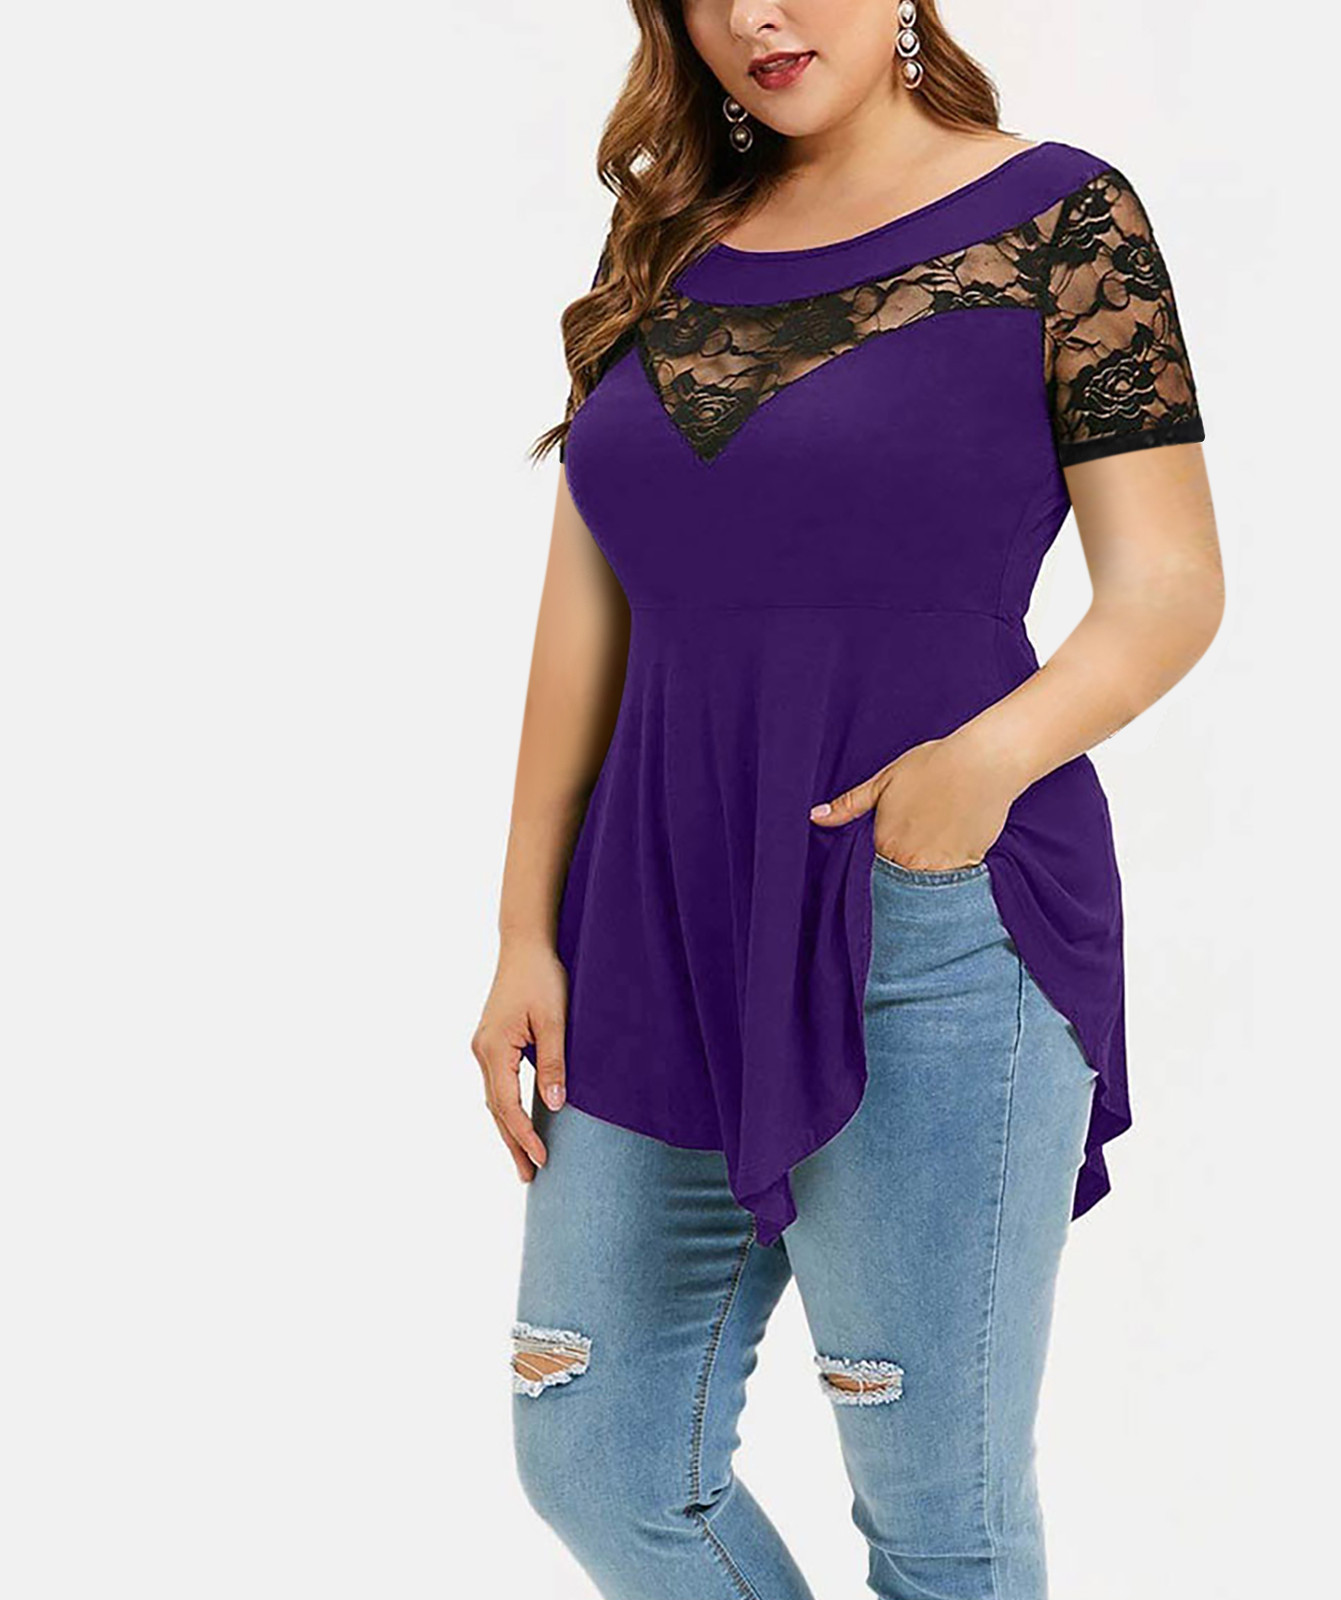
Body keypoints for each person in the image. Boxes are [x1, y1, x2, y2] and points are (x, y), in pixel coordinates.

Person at [472, 3, 1223, 1595]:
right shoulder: (668, 246)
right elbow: (587, 621)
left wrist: (979, 768)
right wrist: (525, 929)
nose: (755, 13)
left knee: (936, 1514)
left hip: (929, 918)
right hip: (650, 923)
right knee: (598, 1455)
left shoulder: (1060, 217)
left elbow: (1168, 586)